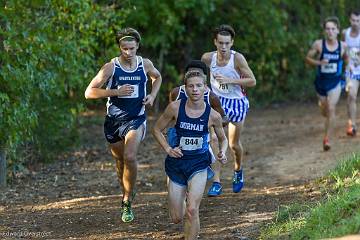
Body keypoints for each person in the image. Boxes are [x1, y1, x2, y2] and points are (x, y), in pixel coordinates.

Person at [84, 27, 162, 223]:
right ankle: (127, 190)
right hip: (113, 121)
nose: (128, 53)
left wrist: (152, 95)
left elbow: (157, 77)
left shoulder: (145, 64)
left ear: (138, 47)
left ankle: (127, 200)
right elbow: (89, 92)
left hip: (136, 118)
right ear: (120, 47)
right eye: (124, 49)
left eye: (132, 49)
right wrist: (116, 92)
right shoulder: (111, 67)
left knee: (130, 156)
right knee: (120, 161)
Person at [152, 69, 228, 240]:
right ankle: (181, 200)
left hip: (198, 163)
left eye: (199, 86)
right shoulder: (175, 108)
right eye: (191, 86)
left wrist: (222, 152)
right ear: (185, 88)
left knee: (192, 211)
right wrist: (168, 149)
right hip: (177, 164)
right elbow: (156, 129)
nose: (195, 89)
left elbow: (223, 139)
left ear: (205, 88)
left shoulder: (213, 115)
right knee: (176, 217)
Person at [201, 24, 256, 196]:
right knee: (215, 140)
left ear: (232, 43)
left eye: (227, 43)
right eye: (220, 43)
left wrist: (229, 80)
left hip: (237, 102)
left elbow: (252, 81)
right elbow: (199, 76)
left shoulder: (237, 59)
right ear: (215, 42)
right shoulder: (207, 58)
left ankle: (238, 170)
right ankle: (216, 182)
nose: (223, 47)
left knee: (233, 144)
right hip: (217, 102)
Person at [306, 17, 347, 151]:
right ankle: (325, 110)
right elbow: (308, 58)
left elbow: (347, 59)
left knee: (331, 107)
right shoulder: (318, 44)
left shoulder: (343, 46)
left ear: (338, 30)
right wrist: (319, 63)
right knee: (325, 110)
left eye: (333, 29)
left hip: (335, 82)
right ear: (324, 31)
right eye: (327, 29)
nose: (330, 31)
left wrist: (348, 70)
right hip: (321, 82)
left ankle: (327, 139)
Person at [343, 10, 360, 136]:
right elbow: (343, 50)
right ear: (350, 20)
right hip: (351, 71)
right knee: (351, 96)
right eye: (353, 20)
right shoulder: (345, 33)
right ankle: (352, 125)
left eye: (358, 21)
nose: (355, 23)